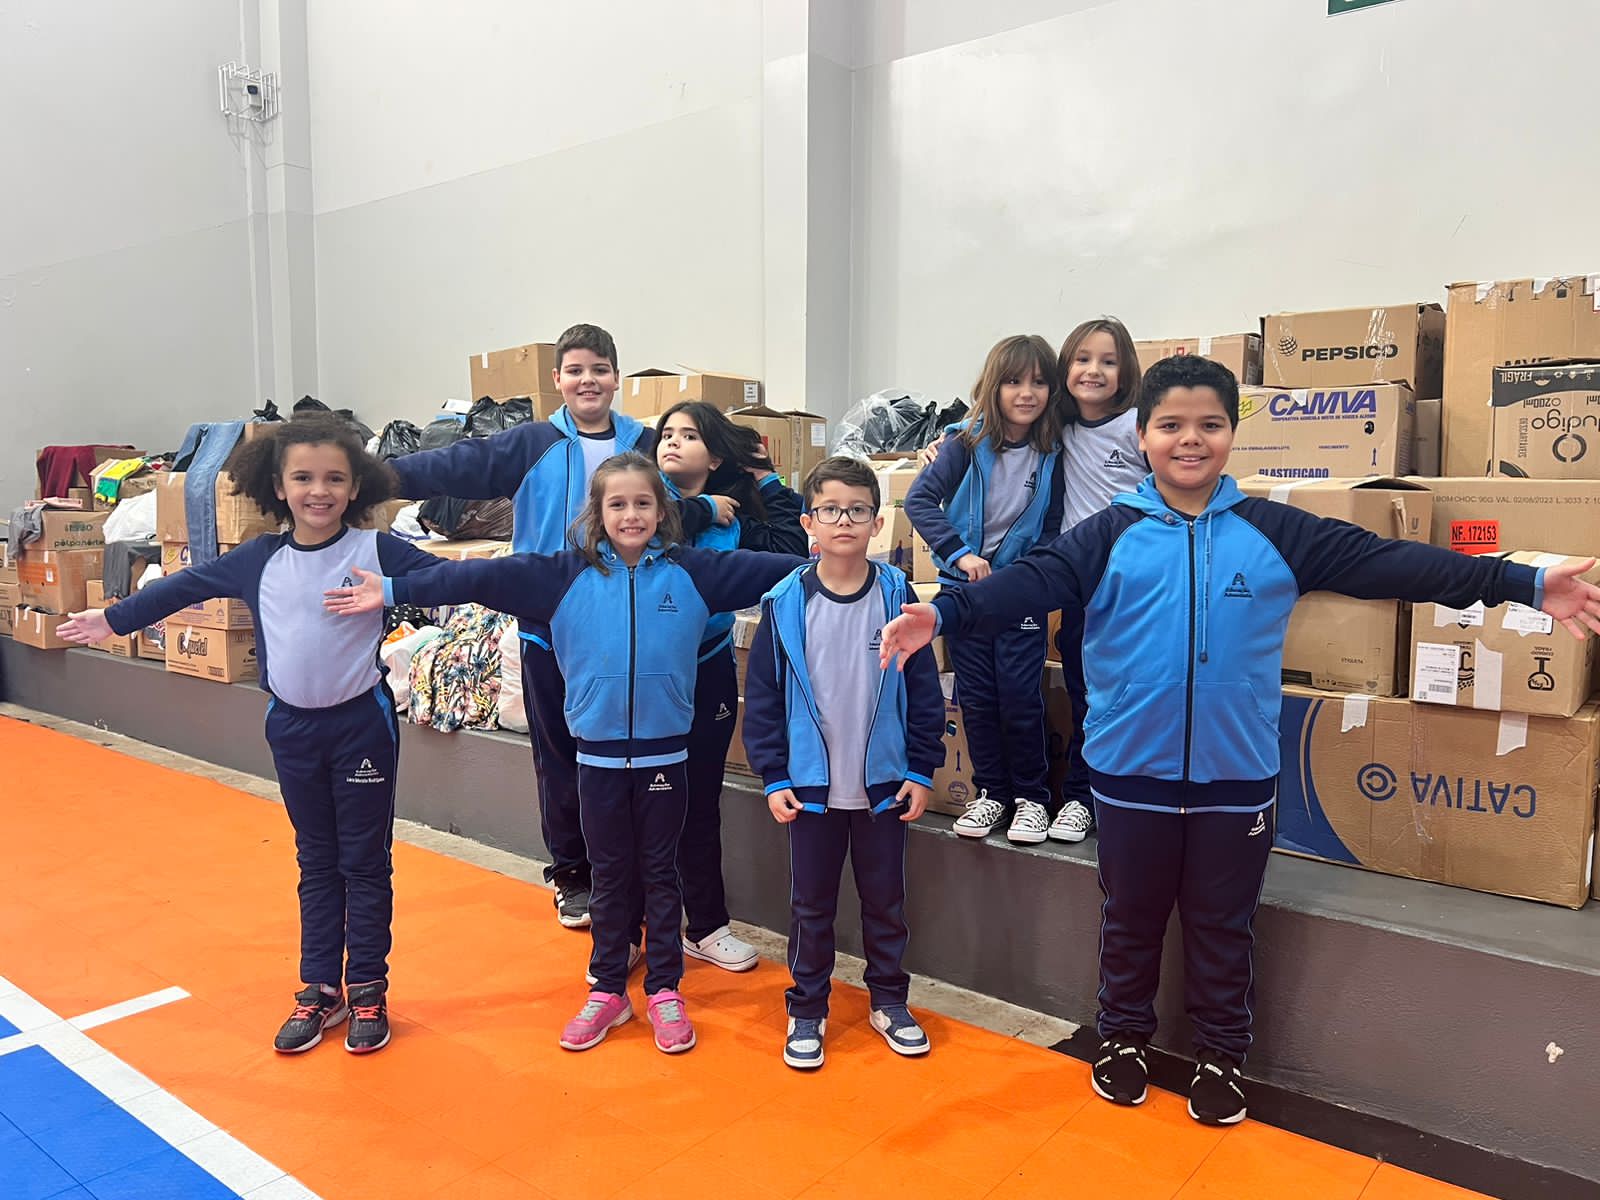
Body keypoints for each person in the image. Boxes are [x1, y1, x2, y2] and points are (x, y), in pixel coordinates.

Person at [879, 355, 1600, 1124]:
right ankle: (1122, 1040)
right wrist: (944, 614)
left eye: (1209, 424)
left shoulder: (1274, 531)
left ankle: (1221, 1054)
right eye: (1171, 425)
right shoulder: (1109, 535)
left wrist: (1522, 583)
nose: (1190, 440)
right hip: (1130, 774)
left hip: (1237, 777)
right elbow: (1027, 582)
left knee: (1223, 925)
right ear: (1143, 435)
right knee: (1131, 919)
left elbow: (1393, 563)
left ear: (1230, 434)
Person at [325, 453, 805, 1054]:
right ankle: (608, 990)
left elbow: (788, 571)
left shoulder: (696, 573)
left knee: (661, 875)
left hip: (665, 760)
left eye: (643, 503)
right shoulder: (559, 576)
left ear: (663, 511)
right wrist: (395, 589)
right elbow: (475, 579)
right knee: (609, 874)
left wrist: (850, 560)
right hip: (597, 761)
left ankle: (664, 990)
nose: (631, 515)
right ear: (597, 514)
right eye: (617, 504)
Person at [59, 414, 445, 1056]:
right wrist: (114, 619)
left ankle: (367, 988)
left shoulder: (376, 552)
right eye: (303, 478)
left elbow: (457, 579)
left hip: (361, 727)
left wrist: (544, 591)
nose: (318, 490)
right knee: (316, 859)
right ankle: (320, 988)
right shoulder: (259, 560)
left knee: (364, 861)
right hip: (292, 729)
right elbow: (184, 586)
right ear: (278, 485)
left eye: (334, 479)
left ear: (356, 487)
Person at [388, 325, 732, 931]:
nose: (587, 380)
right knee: (560, 755)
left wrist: (713, 505)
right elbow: (454, 465)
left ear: (616, 377)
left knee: (633, 756)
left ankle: (639, 876)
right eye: (575, 370)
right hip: (550, 628)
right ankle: (574, 874)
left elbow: (680, 502)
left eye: (599, 369)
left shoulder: (647, 442)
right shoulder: (532, 444)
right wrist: (371, 478)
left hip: (629, 629)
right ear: (557, 380)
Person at [743, 456, 944, 1069]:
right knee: (811, 905)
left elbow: (924, 692)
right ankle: (807, 1008)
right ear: (809, 522)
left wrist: (921, 769)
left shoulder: (897, 596)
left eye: (858, 510)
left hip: (883, 786)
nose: (844, 521)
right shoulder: (784, 603)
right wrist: (774, 775)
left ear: (877, 523)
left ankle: (889, 1000)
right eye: (830, 509)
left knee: (886, 902)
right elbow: (765, 697)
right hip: (810, 790)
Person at [651, 400, 807, 972]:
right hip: (646, 677)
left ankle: (706, 925)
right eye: (666, 433)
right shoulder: (640, 502)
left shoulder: (734, 522)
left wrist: (762, 477)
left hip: (708, 668)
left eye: (689, 435)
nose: (672, 442)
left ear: (715, 456)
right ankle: (638, 923)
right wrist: (699, 508)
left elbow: (791, 555)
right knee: (641, 803)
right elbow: (637, 530)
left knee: (698, 802)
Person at [902, 334, 1063, 844]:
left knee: (1020, 696)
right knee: (977, 697)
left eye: (1038, 382)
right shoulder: (963, 444)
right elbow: (919, 501)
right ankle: (991, 791)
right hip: (963, 590)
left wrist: (1031, 571)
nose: (1026, 393)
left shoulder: (1054, 450)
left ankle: (1032, 798)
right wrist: (959, 553)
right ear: (993, 386)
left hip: (1019, 593)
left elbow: (1054, 524)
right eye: (1013, 381)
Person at [1048, 317, 1147, 843]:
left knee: (1126, 694)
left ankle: (1116, 795)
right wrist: (947, 438)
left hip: (1132, 584)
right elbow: (997, 421)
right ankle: (1081, 797)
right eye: (1083, 359)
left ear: (1125, 371)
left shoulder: (1135, 425)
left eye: (1108, 361)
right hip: (1080, 586)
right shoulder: (1058, 428)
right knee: (1083, 693)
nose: (1094, 370)